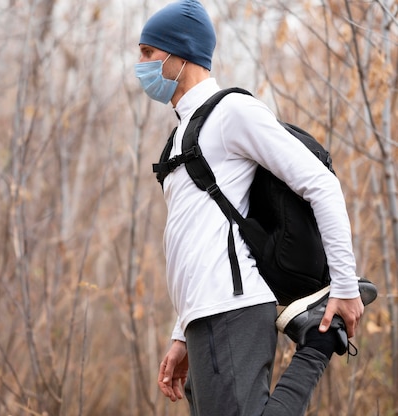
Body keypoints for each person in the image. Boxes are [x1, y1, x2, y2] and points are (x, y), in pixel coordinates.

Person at [134, 1, 377, 415]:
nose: (139, 65)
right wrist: (181, 332)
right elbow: (196, 240)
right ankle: (316, 339)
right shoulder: (179, 139)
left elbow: (321, 184)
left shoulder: (232, 112)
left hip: (232, 307)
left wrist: (344, 286)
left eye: (147, 53)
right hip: (204, 316)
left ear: (181, 54)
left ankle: (319, 340)